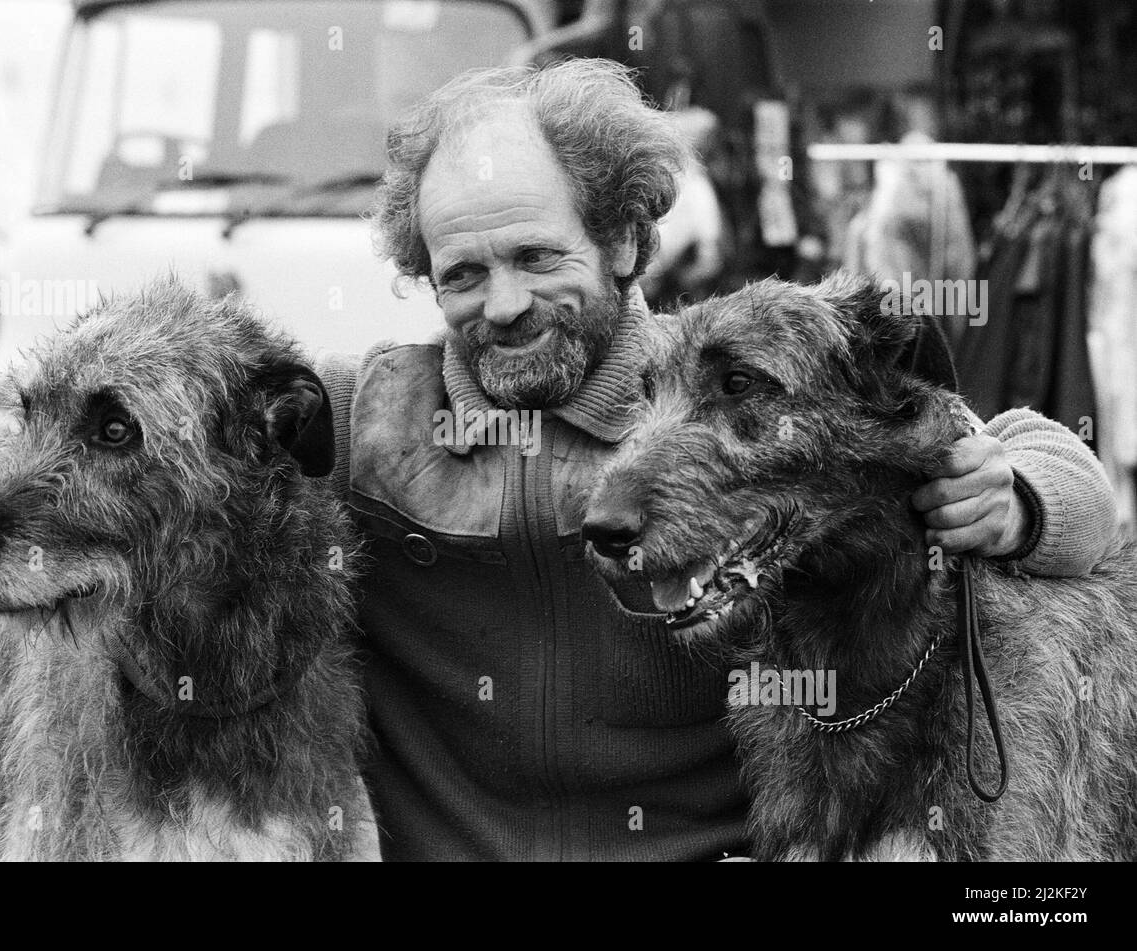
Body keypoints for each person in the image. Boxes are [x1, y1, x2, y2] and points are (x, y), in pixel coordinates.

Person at [319, 60, 1118, 861]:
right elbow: (206, 414)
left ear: (624, 238)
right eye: (462, 273)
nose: (503, 305)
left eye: (535, 257)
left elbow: (1056, 474)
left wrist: (1015, 497)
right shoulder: (370, 414)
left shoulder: (725, 373)